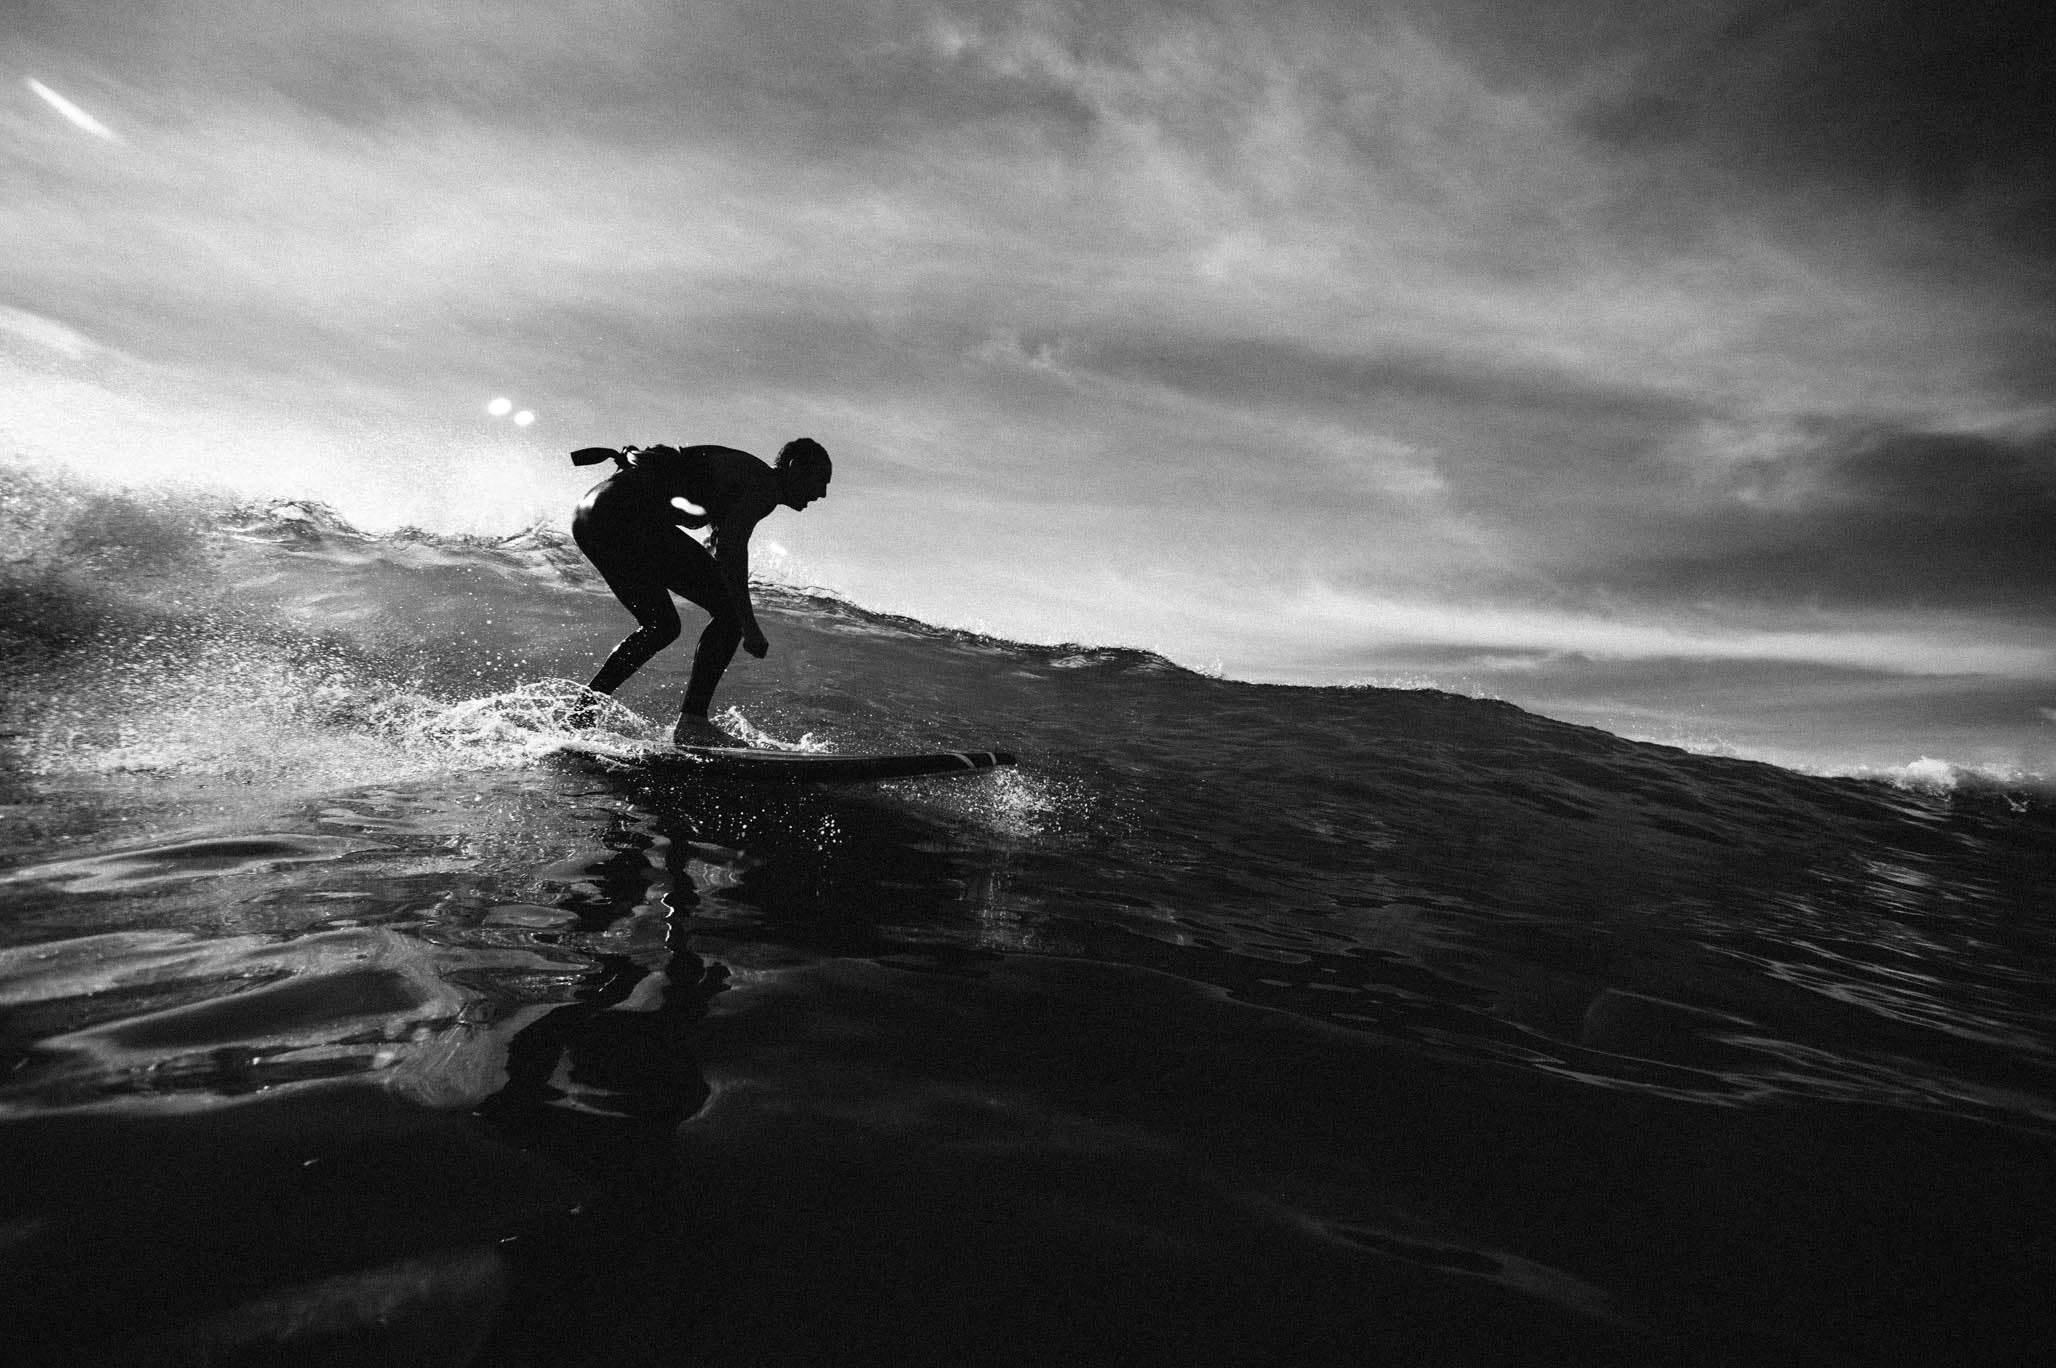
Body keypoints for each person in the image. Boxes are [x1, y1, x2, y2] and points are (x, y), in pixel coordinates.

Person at [569, 437, 831, 745]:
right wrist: (750, 627)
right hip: (623, 514)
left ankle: (582, 712)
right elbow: (732, 555)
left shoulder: (743, 476)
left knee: (661, 626)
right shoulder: (762, 484)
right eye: (820, 480)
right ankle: (692, 722)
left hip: (593, 515)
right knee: (730, 614)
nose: (822, 493)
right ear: (794, 467)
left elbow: (717, 542)